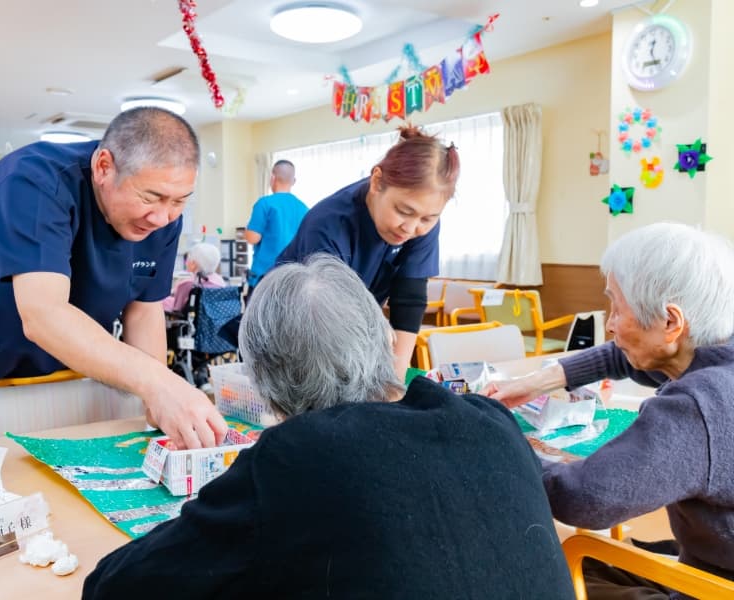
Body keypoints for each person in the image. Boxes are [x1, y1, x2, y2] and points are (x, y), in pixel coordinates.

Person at [82, 254, 574, 599]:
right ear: (383, 340)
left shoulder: (298, 457)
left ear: (266, 384)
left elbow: (117, 587)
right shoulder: (490, 420)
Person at [0, 106, 226, 450]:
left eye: (179, 201)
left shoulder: (161, 219)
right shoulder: (33, 182)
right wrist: (159, 384)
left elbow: (144, 309)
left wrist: (157, 407)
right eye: (151, 197)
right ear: (103, 167)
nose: (163, 216)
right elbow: (44, 314)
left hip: (63, 375)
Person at [482, 222, 734, 597]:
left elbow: (582, 498)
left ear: (670, 321)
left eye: (616, 306)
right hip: (714, 563)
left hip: (712, 586)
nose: (610, 325)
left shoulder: (697, 407)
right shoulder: (712, 354)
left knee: (527, 576)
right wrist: (532, 384)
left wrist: (501, 441)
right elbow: (627, 357)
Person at [277, 125, 460, 379]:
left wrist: (396, 380)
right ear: (376, 182)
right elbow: (326, 311)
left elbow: (409, 299)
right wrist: (374, 322)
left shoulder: (422, 225)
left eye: (428, 218)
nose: (410, 228)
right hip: (293, 325)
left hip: (351, 327)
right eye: (403, 211)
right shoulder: (328, 223)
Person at [244, 159, 308, 290]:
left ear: (272, 177)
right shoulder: (304, 208)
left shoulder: (265, 203)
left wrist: (247, 228)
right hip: (293, 278)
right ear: (293, 181)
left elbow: (252, 237)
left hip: (266, 277)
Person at [162, 242, 225, 313]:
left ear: (193, 264)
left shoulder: (187, 284)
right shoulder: (219, 281)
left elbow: (177, 309)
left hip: (190, 320)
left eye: (188, 259)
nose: (186, 262)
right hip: (212, 319)